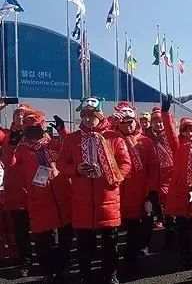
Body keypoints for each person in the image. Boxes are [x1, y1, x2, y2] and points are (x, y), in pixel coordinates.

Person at [57, 103, 131, 284]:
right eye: (84, 116)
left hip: (107, 195)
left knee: (109, 241)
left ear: (100, 116)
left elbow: (125, 163)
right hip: (81, 197)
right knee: (84, 242)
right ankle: (84, 273)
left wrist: (114, 177)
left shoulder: (114, 138)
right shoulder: (72, 139)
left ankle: (110, 274)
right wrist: (76, 169)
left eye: (91, 116)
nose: (88, 119)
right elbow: (61, 164)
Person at [2, 110, 72, 283]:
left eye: (37, 127)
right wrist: (11, 144)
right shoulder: (21, 148)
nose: (34, 132)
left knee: (64, 235)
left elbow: (70, 148)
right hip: (38, 197)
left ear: (42, 127)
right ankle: (48, 271)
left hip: (60, 195)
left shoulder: (52, 143)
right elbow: (9, 163)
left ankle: (63, 267)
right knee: (43, 237)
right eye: (30, 128)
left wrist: (63, 131)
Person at [162, 96, 192, 271]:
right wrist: (165, 112)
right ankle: (184, 257)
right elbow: (169, 131)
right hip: (180, 191)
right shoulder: (178, 146)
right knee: (182, 228)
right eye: (185, 130)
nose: (190, 133)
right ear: (181, 132)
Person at [111, 102, 158, 266]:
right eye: (122, 122)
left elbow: (153, 168)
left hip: (139, 191)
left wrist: (152, 191)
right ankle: (113, 261)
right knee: (113, 232)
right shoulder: (112, 139)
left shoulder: (146, 142)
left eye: (129, 121)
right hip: (116, 191)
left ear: (136, 121)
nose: (127, 125)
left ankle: (132, 259)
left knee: (136, 229)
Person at [0, 103, 33, 276]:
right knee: (20, 231)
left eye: (24, 114)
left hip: (37, 192)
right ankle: (25, 262)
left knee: (45, 230)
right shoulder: (5, 135)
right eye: (17, 114)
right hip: (16, 191)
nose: (20, 117)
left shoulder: (36, 134)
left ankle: (48, 260)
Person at [146, 106, 175, 238]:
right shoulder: (147, 136)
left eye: (161, 121)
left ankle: (169, 223)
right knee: (155, 199)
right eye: (155, 122)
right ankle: (159, 218)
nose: (158, 124)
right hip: (153, 174)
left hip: (170, 173)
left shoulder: (170, 135)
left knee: (169, 201)